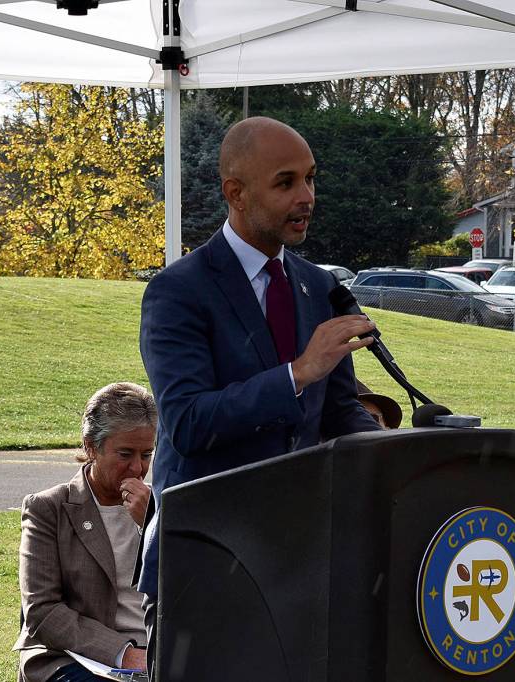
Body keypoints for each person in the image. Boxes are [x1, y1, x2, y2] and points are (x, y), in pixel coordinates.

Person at [137, 116, 381, 668]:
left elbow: (340, 411)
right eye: (286, 182)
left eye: (312, 179)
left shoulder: (318, 286)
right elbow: (188, 423)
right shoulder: (177, 292)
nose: (307, 197)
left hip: (301, 565)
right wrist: (297, 373)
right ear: (236, 194)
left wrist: (391, 454)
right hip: (203, 563)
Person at [15, 382, 156, 682]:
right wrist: (123, 652)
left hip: (158, 652)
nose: (137, 468)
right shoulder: (48, 509)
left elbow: (194, 589)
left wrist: (153, 526)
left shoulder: (162, 506)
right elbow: (42, 612)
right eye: (125, 454)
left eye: (146, 454)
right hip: (72, 658)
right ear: (91, 446)